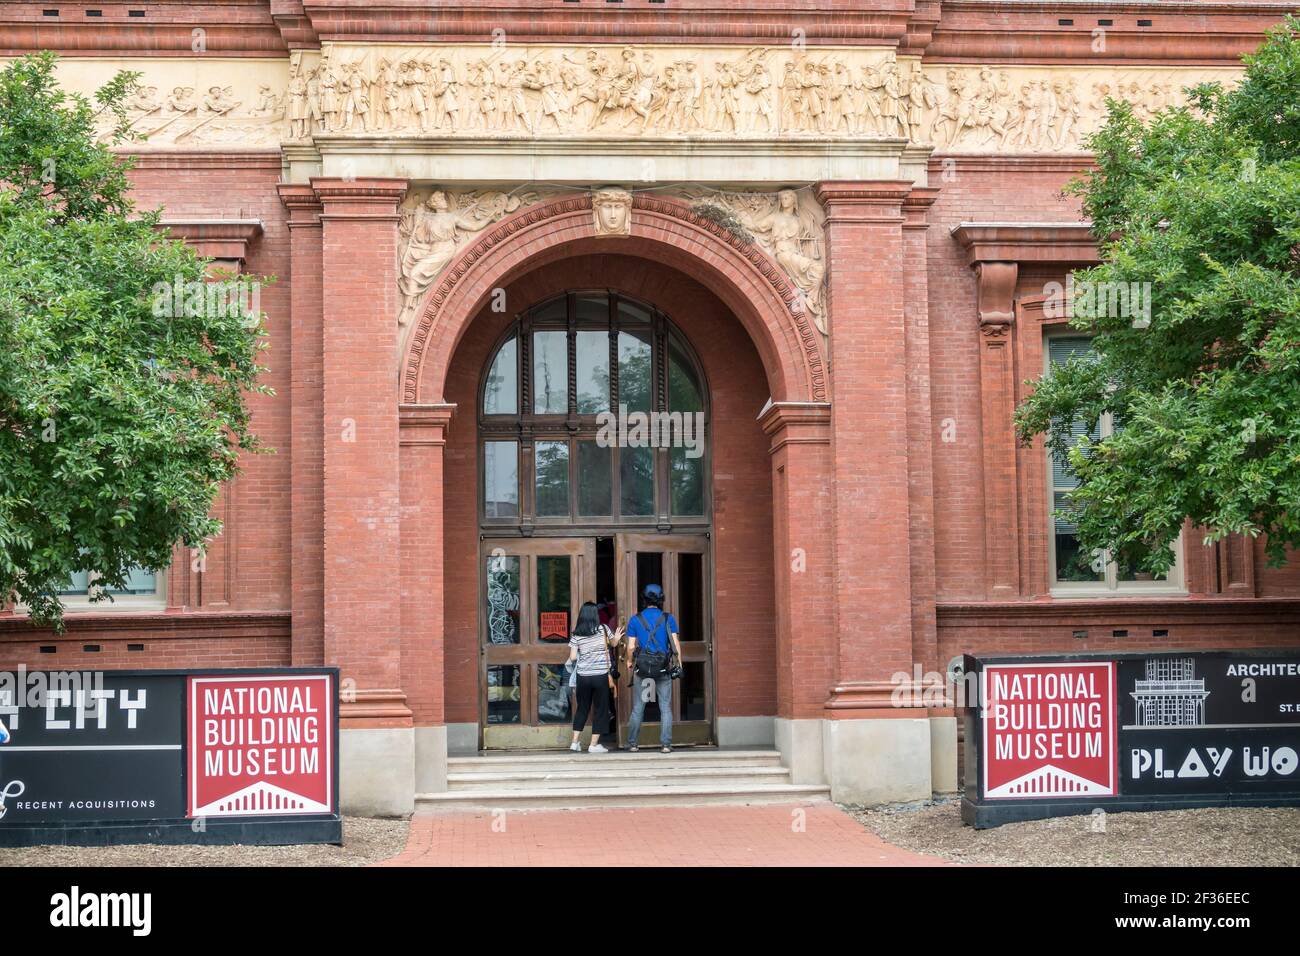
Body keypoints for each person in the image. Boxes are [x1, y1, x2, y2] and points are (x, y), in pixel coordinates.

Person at [624, 583, 681, 753]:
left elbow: (631, 646)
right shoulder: (668, 618)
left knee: (638, 707)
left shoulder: (635, 619)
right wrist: (679, 664)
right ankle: (665, 745)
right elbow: (675, 643)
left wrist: (628, 661)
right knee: (665, 707)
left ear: (644, 599)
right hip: (662, 669)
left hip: (643, 670)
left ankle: (633, 743)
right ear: (661, 599)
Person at [567, 602, 623, 753]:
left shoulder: (576, 633)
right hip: (600, 676)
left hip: (583, 676)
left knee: (582, 708)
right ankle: (593, 745)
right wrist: (616, 637)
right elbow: (613, 643)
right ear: (595, 615)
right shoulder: (603, 629)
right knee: (600, 709)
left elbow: (572, 657)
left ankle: (574, 742)